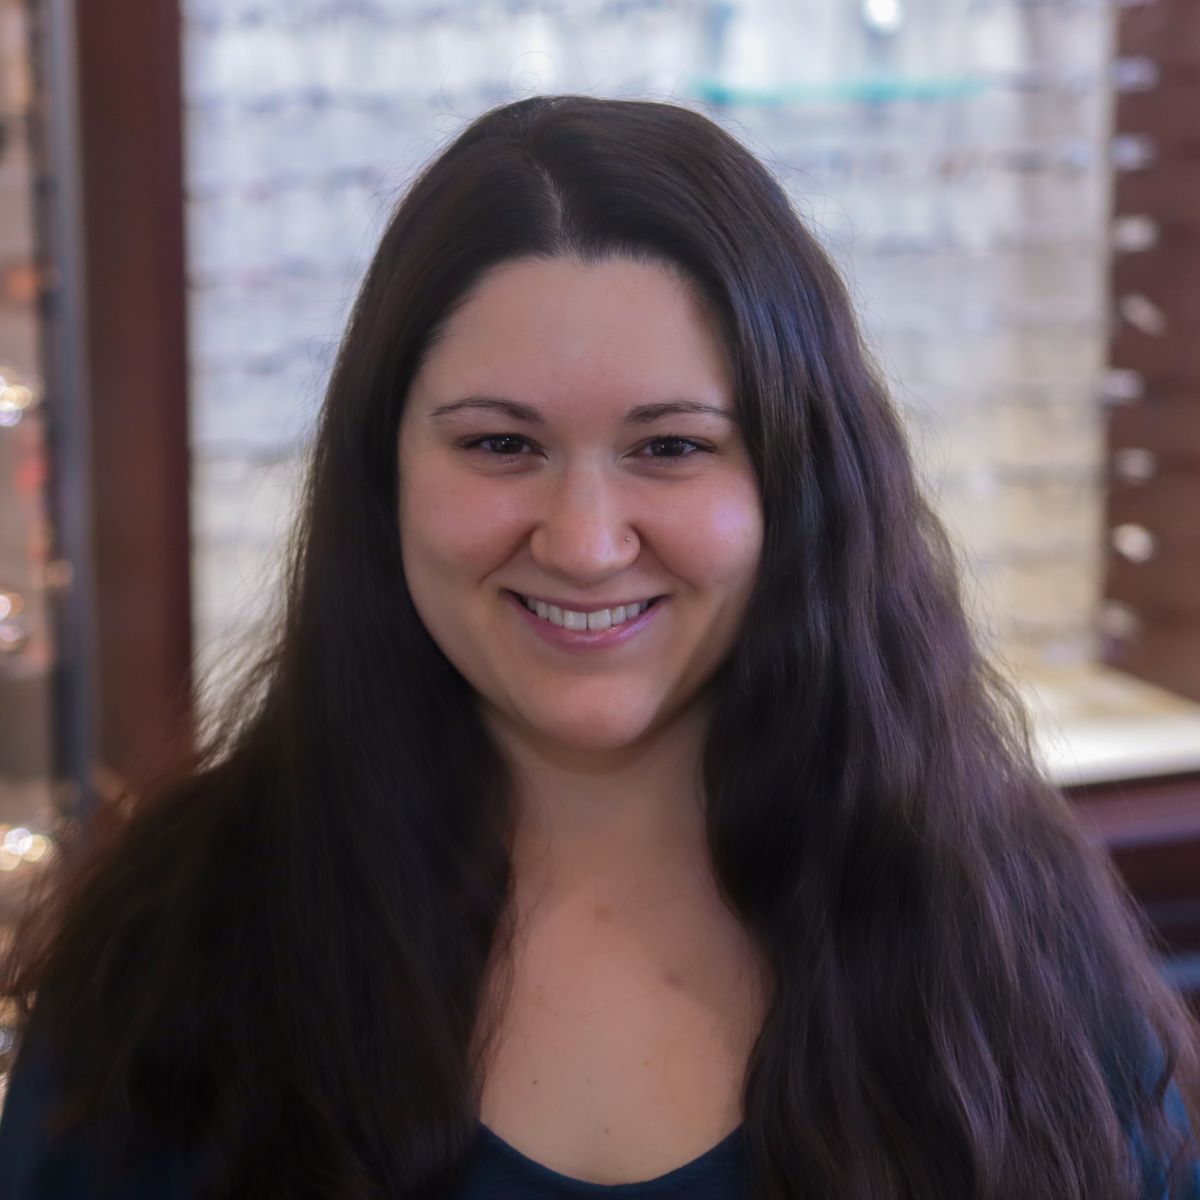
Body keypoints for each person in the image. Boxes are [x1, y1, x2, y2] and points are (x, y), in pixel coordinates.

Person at [0, 92, 1197, 1200]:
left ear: (799, 481)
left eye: (670, 447)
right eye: (499, 446)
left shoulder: (1002, 928)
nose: (583, 543)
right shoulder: (168, 949)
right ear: (385, 475)